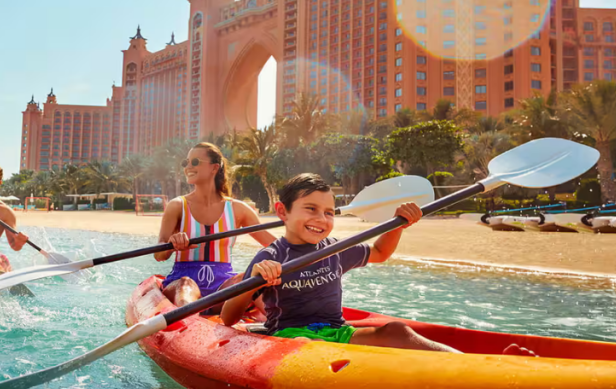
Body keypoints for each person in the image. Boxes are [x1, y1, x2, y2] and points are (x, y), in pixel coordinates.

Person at [220, 173, 535, 356]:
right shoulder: (270, 258)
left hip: (337, 332)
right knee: (306, 345)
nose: (321, 219)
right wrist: (257, 281)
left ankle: (477, 366)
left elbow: (380, 253)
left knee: (398, 331)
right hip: (291, 337)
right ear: (282, 211)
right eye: (310, 209)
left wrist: (397, 225)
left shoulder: (336, 249)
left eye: (329, 212)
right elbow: (228, 317)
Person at [155, 142, 278, 307]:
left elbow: (274, 245)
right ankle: (188, 320)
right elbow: (159, 255)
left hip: (223, 285)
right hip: (182, 281)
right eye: (186, 163)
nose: (188, 167)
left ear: (214, 168)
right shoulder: (177, 206)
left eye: (195, 162)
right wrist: (172, 245)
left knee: (249, 279)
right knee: (185, 285)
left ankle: (280, 325)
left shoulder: (238, 209)